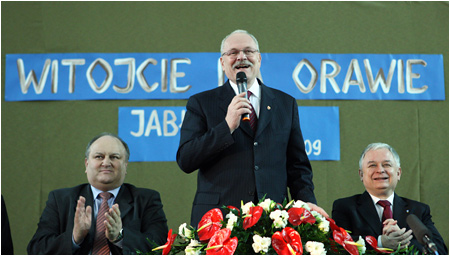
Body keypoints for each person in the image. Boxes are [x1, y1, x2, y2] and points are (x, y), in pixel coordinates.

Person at [177, 29, 327, 227]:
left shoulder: (285, 103)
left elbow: (297, 166)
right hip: (218, 220)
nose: (241, 57)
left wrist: (307, 202)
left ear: (259, 58)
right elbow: (186, 159)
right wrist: (226, 126)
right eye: (233, 52)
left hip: (273, 220)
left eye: (248, 51)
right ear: (222, 62)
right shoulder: (201, 103)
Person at [28, 133, 168, 254]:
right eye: (99, 157)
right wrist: (74, 238)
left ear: (125, 166)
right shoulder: (60, 200)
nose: (106, 162)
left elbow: (160, 248)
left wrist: (120, 237)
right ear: (86, 164)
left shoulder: (146, 200)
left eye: (114, 157)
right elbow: (36, 249)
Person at [332, 143, 448, 254]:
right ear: (361, 174)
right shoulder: (345, 207)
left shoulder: (418, 210)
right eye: (372, 165)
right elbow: (338, 247)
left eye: (386, 164)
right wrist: (380, 242)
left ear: (398, 173)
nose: (380, 170)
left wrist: (403, 243)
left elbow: (440, 251)